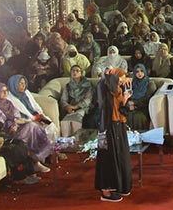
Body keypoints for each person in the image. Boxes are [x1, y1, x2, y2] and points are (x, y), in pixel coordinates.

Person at [0, 83, 54, 171]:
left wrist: (15, 123)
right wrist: (12, 124)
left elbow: (16, 115)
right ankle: (35, 161)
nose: (5, 93)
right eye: (2, 91)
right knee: (31, 128)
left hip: (16, 127)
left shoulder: (9, 103)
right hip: (6, 132)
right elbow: (2, 121)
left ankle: (37, 159)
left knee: (32, 126)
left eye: (6, 91)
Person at [95, 68, 133, 202]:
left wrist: (125, 100)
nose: (123, 81)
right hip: (107, 126)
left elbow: (123, 111)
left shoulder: (119, 91)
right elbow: (109, 82)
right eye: (120, 78)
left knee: (121, 156)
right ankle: (106, 191)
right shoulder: (104, 88)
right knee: (108, 158)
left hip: (118, 125)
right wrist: (114, 76)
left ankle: (119, 186)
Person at [60, 65, 95, 138]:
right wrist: (67, 106)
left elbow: (88, 99)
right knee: (65, 122)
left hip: (84, 108)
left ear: (81, 73)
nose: (75, 72)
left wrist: (76, 106)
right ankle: (66, 142)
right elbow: (63, 99)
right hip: (71, 109)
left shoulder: (87, 85)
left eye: (77, 71)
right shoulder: (68, 86)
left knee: (76, 119)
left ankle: (77, 142)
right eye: (73, 71)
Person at [125, 63, 155, 132]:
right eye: (137, 71)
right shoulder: (132, 83)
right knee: (127, 115)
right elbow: (126, 96)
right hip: (131, 107)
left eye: (141, 71)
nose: (139, 73)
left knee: (137, 117)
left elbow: (147, 99)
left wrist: (135, 104)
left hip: (144, 108)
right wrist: (128, 104)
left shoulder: (150, 83)